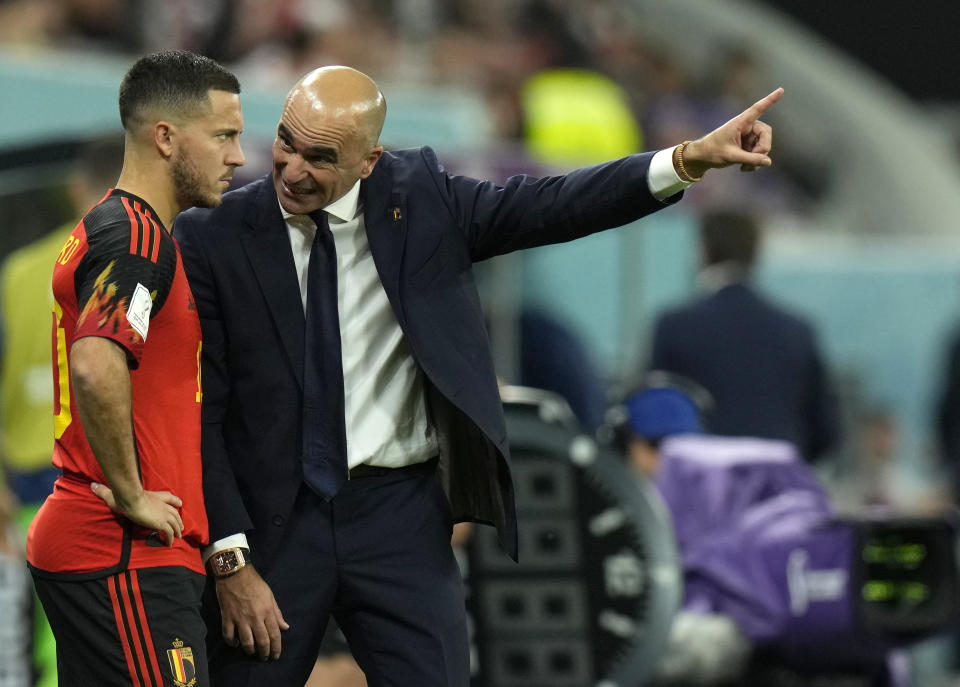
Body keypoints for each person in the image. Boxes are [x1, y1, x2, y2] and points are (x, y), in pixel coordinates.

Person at [173, 64, 782, 686]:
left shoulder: (423, 201)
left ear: (368, 160)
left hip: (399, 517)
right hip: (275, 516)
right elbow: (203, 411)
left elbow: (553, 205)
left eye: (320, 157)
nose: (292, 168)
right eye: (285, 142)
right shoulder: (213, 236)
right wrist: (228, 558)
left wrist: (686, 160)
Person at [25, 50, 245, 686]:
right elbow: (95, 363)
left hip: (105, 544)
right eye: (225, 135)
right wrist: (131, 494)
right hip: (122, 549)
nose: (237, 155)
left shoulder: (120, 229)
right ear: (167, 138)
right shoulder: (136, 236)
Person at [0, 133, 125, 687]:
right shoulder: (147, 263)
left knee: (37, 648)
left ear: (77, 186)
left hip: (28, 493)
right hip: (114, 491)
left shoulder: (21, 271)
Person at [649, 210, 840, 462]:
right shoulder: (797, 330)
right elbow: (827, 428)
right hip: (778, 482)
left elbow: (656, 418)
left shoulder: (675, 326)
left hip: (703, 485)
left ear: (703, 251)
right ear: (755, 252)